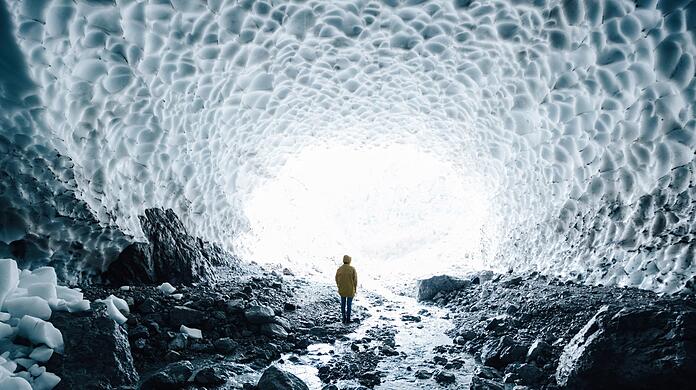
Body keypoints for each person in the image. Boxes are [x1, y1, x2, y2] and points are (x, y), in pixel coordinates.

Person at [335, 254, 358, 324]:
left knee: (343, 304)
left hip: (342, 289)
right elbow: (355, 280)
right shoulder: (352, 269)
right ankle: (348, 319)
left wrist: (339, 286)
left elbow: (336, 279)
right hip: (350, 290)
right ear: (349, 260)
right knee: (349, 304)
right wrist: (355, 289)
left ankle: (343, 318)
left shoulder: (339, 269)